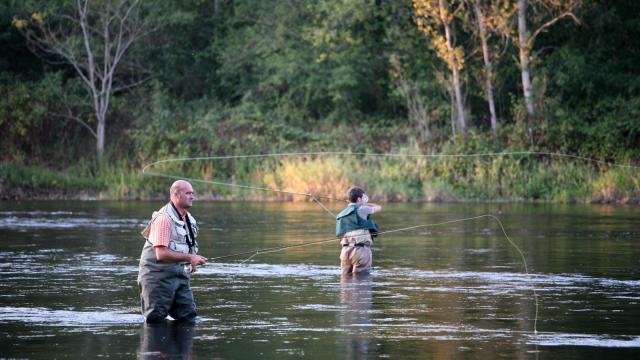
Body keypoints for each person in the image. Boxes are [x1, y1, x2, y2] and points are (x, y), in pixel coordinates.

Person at [137, 180, 207, 323]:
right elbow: (161, 254)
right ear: (176, 195)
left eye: (192, 193)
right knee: (154, 321)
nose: (192, 196)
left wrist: (191, 261)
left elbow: (186, 243)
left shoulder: (188, 219)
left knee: (188, 318)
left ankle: (182, 346)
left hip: (179, 276)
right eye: (188, 193)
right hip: (156, 278)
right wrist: (190, 258)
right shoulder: (163, 219)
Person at [336, 186, 381, 275]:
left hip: (345, 252)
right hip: (360, 251)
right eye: (362, 198)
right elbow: (378, 207)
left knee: (345, 282)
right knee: (361, 282)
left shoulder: (340, 215)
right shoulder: (362, 209)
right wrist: (365, 204)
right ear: (359, 199)